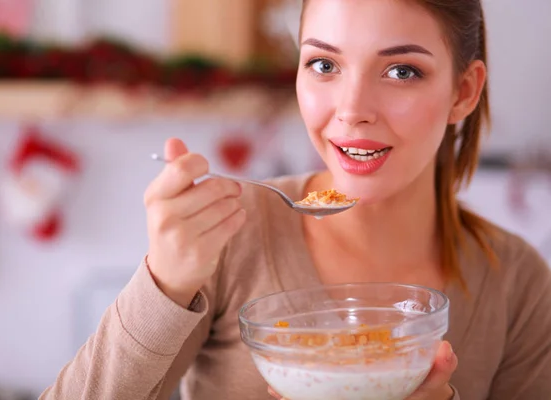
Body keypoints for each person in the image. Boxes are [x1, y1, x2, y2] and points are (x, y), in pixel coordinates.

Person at [41, 0, 551, 399]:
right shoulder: (232, 234)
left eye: (401, 72)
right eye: (325, 64)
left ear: (464, 91)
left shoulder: (518, 283)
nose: (351, 111)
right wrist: (164, 284)